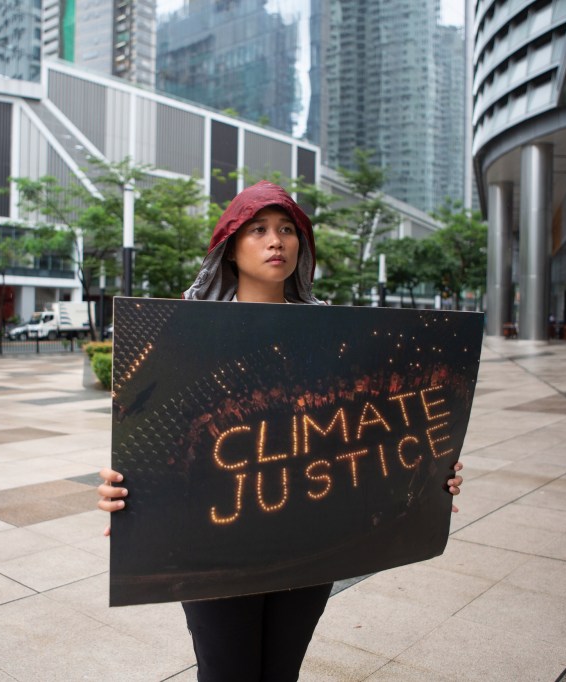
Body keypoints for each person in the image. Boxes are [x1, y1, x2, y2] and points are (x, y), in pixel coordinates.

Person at [96, 181, 464, 681]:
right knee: (227, 671)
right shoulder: (186, 332)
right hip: (215, 546)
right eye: (260, 230)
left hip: (306, 540)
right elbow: (150, 433)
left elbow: (361, 427)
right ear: (231, 246)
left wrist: (428, 459)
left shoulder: (331, 335)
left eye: (288, 230)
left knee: (281, 672)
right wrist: (126, 495)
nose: (277, 241)